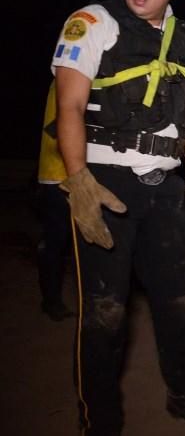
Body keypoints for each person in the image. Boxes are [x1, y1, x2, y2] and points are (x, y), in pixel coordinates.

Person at [52, 0, 185, 433]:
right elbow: (69, 107)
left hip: (166, 188)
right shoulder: (93, 22)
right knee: (105, 314)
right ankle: (99, 421)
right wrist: (79, 181)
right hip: (106, 184)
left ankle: (184, 394)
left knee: (178, 304)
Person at [36, 83, 75, 321]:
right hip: (59, 177)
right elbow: (59, 128)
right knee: (56, 243)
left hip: (66, 175)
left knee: (60, 243)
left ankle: (53, 300)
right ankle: (51, 301)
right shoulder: (71, 75)